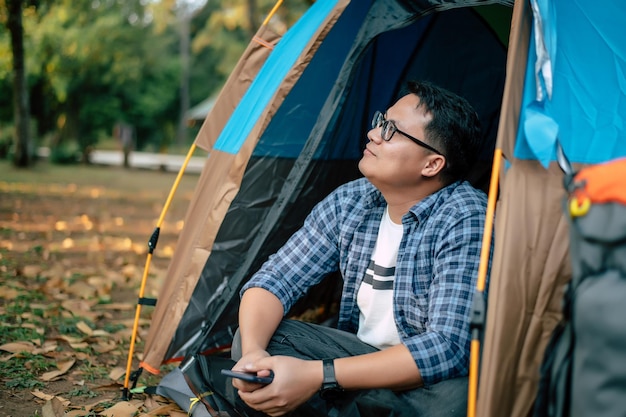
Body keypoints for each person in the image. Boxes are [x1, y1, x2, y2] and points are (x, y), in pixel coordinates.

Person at [227, 80, 490, 416]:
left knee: (458, 400)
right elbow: (274, 280)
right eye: (381, 121)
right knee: (256, 341)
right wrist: (253, 356)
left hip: (423, 381)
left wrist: (316, 376)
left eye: (392, 130)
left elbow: (448, 347)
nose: (374, 134)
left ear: (432, 165)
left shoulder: (465, 216)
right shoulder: (352, 199)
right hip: (355, 362)